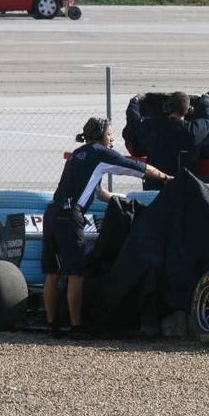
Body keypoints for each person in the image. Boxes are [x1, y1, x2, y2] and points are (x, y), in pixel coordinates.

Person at [42, 117, 171, 337]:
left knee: (52, 273)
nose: (112, 138)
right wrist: (165, 177)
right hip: (70, 217)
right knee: (76, 274)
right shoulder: (100, 153)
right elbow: (136, 167)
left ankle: (52, 325)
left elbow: (97, 191)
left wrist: (119, 201)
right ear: (101, 134)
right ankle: (76, 327)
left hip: (52, 213)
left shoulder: (77, 154)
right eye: (110, 134)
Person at [126, 91, 209, 190]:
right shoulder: (193, 131)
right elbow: (208, 119)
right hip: (183, 188)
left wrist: (134, 101)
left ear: (167, 107)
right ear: (189, 110)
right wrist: (206, 103)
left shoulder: (154, 127)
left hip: (156, 186)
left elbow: (134, 119)